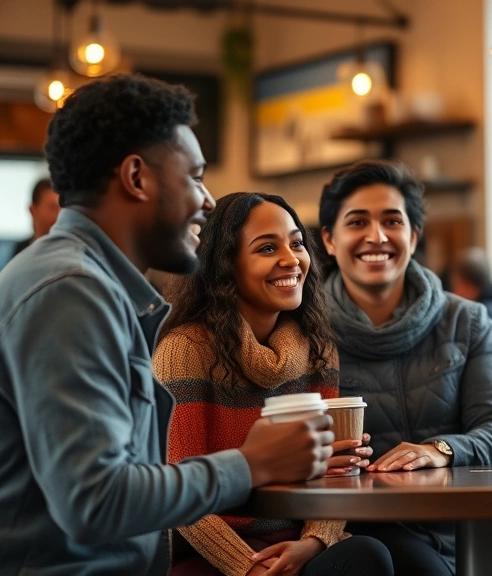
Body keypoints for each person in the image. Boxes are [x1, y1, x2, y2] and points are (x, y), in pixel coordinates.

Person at [0, 74, 334, 575]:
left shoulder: (93, 286)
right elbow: (94, 501)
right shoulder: (70, 291)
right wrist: (251, 464)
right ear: (137, 178)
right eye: (195, 176)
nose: (206, 201)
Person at [153, 192, 393, 576]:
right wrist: (249, 568)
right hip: (213, 553)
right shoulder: (185, 350)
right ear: (226, 265)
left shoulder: (317, 347)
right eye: (267, 247)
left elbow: (334, 474)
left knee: (371, 555)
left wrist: (313, 542)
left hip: (295, 542)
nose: (291, 259)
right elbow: (180, 492)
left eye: (297, 243)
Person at [318, 160, 492, 576]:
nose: (377, 236)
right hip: (355, 533)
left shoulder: (468, 321)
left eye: (392, 220)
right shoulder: (302, 331)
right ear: (329, 240)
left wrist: (439, 450)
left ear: (413, 235)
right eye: (357, 222)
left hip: (464, 529)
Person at [12, 177, 61, 257]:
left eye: (62, 209)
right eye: (53, 208)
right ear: (33, 210)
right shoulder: (20, 250)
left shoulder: (69, 250)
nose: (59, 215)